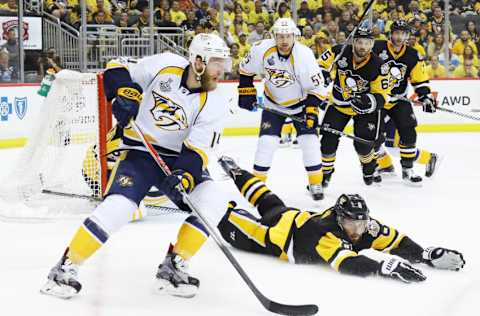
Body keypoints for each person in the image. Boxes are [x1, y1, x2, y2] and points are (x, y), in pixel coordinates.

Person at [40, 33, 231, 299]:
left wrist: (184, 176)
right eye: (217, 63)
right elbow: (116, 66)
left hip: (177, 160)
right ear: (198, 61)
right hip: (139, 152)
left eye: (224, 63)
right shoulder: (165, 65)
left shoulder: (217, 102)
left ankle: (174, 266)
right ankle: (64, 269)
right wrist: (123, 92)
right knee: (119, 207)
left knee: (214, 198)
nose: (223, 70)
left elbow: (198, 150)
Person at [217, 156, 465, 281]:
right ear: (338, 218)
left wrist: (423, 255)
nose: (357, 229)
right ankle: (206, 186)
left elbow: (395, 240)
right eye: (350, 223)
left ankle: (236, 172)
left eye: (360, 222)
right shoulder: (326, 233)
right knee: (219, 213)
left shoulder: (365, 226)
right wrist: (381, 268)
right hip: (268, 236)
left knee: (267, 200)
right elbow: (346, 262)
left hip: (289, 214)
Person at [237, 17, 328, 200]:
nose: (284, 41)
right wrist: (246, 91)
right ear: (274, 36)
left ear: (295, 36)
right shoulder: (261, 49)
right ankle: (257, 186)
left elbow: (317, 89)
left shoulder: (304, 56)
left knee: (309, 143)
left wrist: (311, 110)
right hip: (273, 104)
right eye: (280, 36)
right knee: (266, 144)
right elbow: (245, 71)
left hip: (301, 105)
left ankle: (315, 183)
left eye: (288, 36)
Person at [317, 27, 388, 188]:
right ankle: (325, 174)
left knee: (363, 145)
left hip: (364, 110)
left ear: (372, 45)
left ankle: (369, 167)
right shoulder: (339, 51)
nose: (363, 46)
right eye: (360, 42)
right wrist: (323, 74)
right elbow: (319, 65)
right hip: (339, 105)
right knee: (327, 142)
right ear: (354, 42)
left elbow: (383, 95)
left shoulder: (379, 65)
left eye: (367, 43)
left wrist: (368, 101)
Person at [373, 20, 439, 184]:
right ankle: (377, 167)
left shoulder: (413, 55)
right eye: (397, 32)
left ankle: (408, 170)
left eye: (403, 33)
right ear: (391, 34)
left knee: (408, 133)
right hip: (377, 100)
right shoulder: (376, 47)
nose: (399, 36)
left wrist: (425, 97)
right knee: (371, 135)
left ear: (407, 35)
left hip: (398, 100)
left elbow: (420, 80)